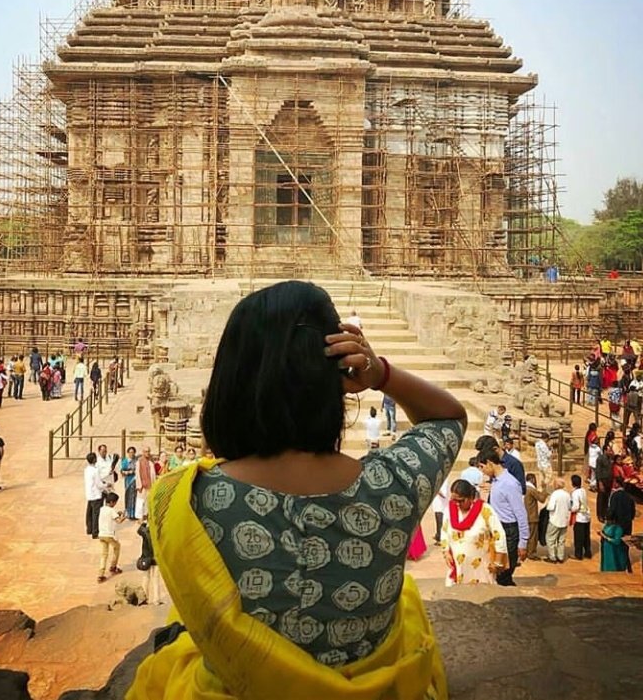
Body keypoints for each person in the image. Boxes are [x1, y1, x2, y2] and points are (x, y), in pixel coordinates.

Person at [127, 280, 467, 700]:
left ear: (230, 383)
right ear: (338, 377)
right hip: (375, 690)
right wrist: (381, 374)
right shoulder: (394, 484)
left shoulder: (187, 499)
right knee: (409, 600)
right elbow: (448, 418)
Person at [441, 479, 508, 585]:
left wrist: (498, 562)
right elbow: (444, 531)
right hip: (458, 568)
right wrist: (446, 552)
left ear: (471, 498)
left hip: (481, 569)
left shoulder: (485, 510)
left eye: (461, 501)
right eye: (454, 500)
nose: (457, 504)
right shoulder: (449, 510)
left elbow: (499, 534)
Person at [477, 449, 529, 586]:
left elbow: (521, 514)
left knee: (503, 573)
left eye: (482, 467)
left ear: (489, 463)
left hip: (509, 530)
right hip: (497, 530)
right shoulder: (496, 481)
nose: (482, 471)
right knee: (495, 572)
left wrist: (523, 542)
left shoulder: (510, 484)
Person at [97, 492, 125, 583]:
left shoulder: (102, 509)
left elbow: (109, 516)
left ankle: (100, 575)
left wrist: (117, 513)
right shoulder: (112, 511)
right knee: (117, 547)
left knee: (104, 554)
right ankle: (113, 566)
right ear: (112, 502)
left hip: (101, 534)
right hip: (109, 535)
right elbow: (119, 521)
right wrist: (124, 516)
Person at [137, 517, 165, 605]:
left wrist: (143, 523)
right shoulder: (158, 532)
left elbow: (139, 530)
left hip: (146, 557)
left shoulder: (145, 531)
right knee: (156, 579)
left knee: (146, 578)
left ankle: (143, 598)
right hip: (155, 558)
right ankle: (156, 600)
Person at [544, 478, 571, 564]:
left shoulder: (555, 494)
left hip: (555, 520)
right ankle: (560, 556)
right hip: (564, 520)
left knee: (550, 538)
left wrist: (547, 505)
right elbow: (570, 506)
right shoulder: (567, 494)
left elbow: (550, 507)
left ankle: (552, 557)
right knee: (561, 540)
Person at [524, 474, 548, 559]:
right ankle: (531, 553)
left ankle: (526, 551)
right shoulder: (531, 489)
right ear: (533, 480)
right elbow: (541, 498)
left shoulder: (523, 488)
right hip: (532, 516)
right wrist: (545, 489)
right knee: (533, 536)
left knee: (526, 535)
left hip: (524, 516)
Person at [84, 452, 107, 539]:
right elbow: (98, 484)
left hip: (89, 494)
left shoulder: (87, 469)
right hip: (96, 494)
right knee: (96, 514)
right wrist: (105, 485)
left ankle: (89, 529)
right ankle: (95, 532)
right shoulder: (95, 470)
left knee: (89, 512)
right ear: (94, 460)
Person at [570, 474, 592, 560]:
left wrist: (570, 509)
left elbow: (575, 506)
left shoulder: (575, 493)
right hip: (587, 516)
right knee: (586, 536)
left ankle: (578, 554)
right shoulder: (583, 490)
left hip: (579, 517)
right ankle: (588, 552)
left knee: (578, 537)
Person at [135, 446, 157, 519]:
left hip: (150, 485)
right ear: (143, 452)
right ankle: (139, 518)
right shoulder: (139, 462)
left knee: (148, 502)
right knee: (140, 502)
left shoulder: (150, 462)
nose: (147, 453)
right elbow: (137, 474)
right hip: (142, 486)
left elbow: (153, 474)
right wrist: (139, 485)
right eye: (146, 451)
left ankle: (146, 516)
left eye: (148, 451)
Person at [595, 445, 614, 522]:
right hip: (602, 481)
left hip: (609, 481)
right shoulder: (600, 459)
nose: (610, 451)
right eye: (609, 450)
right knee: (601, 499)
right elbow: (598, 471)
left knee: (606, 498)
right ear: (605, 451)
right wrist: (600, 483)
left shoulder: (610, 459)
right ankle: (600, 515)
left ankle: (605, 513)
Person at [121, 446, 138, 520]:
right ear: (128, 453)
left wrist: (133, 472)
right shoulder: (125, 461)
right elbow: (122, 471)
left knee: (134, 497)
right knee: (128, 496)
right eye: (130, 452)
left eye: (133, 452)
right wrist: (127, 472)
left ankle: (134, 513)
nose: (131, 454)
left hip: (135, 480)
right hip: (128, 480)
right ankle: (128, 512)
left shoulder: (136, 461)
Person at [432, 478, 448, 545]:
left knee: (440, 522)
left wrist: (436, 490)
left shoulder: (443, 480)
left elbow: (443, 493)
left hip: (440, 504)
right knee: (439, 521)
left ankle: (440, 538)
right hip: (438, 503)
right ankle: (438, 536)